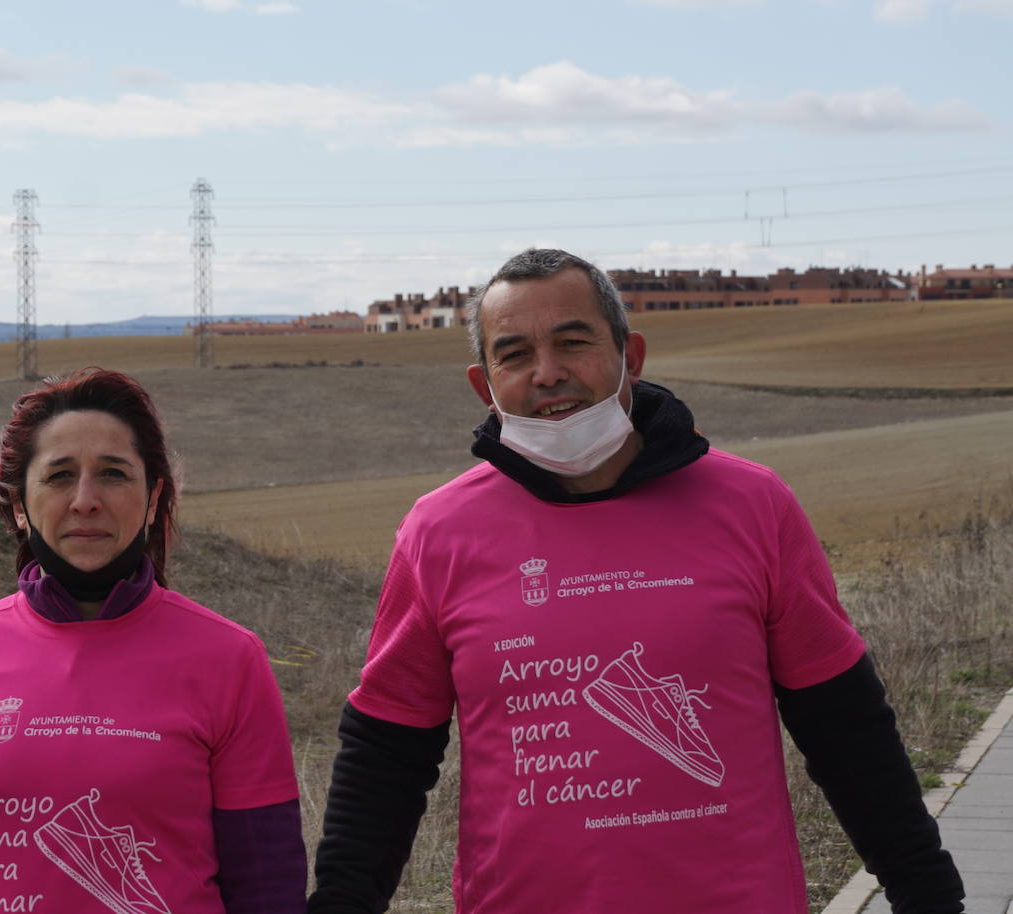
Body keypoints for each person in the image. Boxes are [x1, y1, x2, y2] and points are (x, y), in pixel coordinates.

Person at [308, 249, 964, 914]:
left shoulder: (752, 507)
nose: (548, 374)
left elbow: (844, 726)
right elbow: (387, 754)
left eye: (574, 341)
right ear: (485, 386)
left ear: (632, 355)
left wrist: (927, 893)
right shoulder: (439, 533)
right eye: (514, 355)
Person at [0, 367, 306, 914]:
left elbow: (267, 882)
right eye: (59, 476)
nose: (86, 500)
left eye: (112, 474)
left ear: (153, 499)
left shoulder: (230, 659)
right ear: (19, 504)